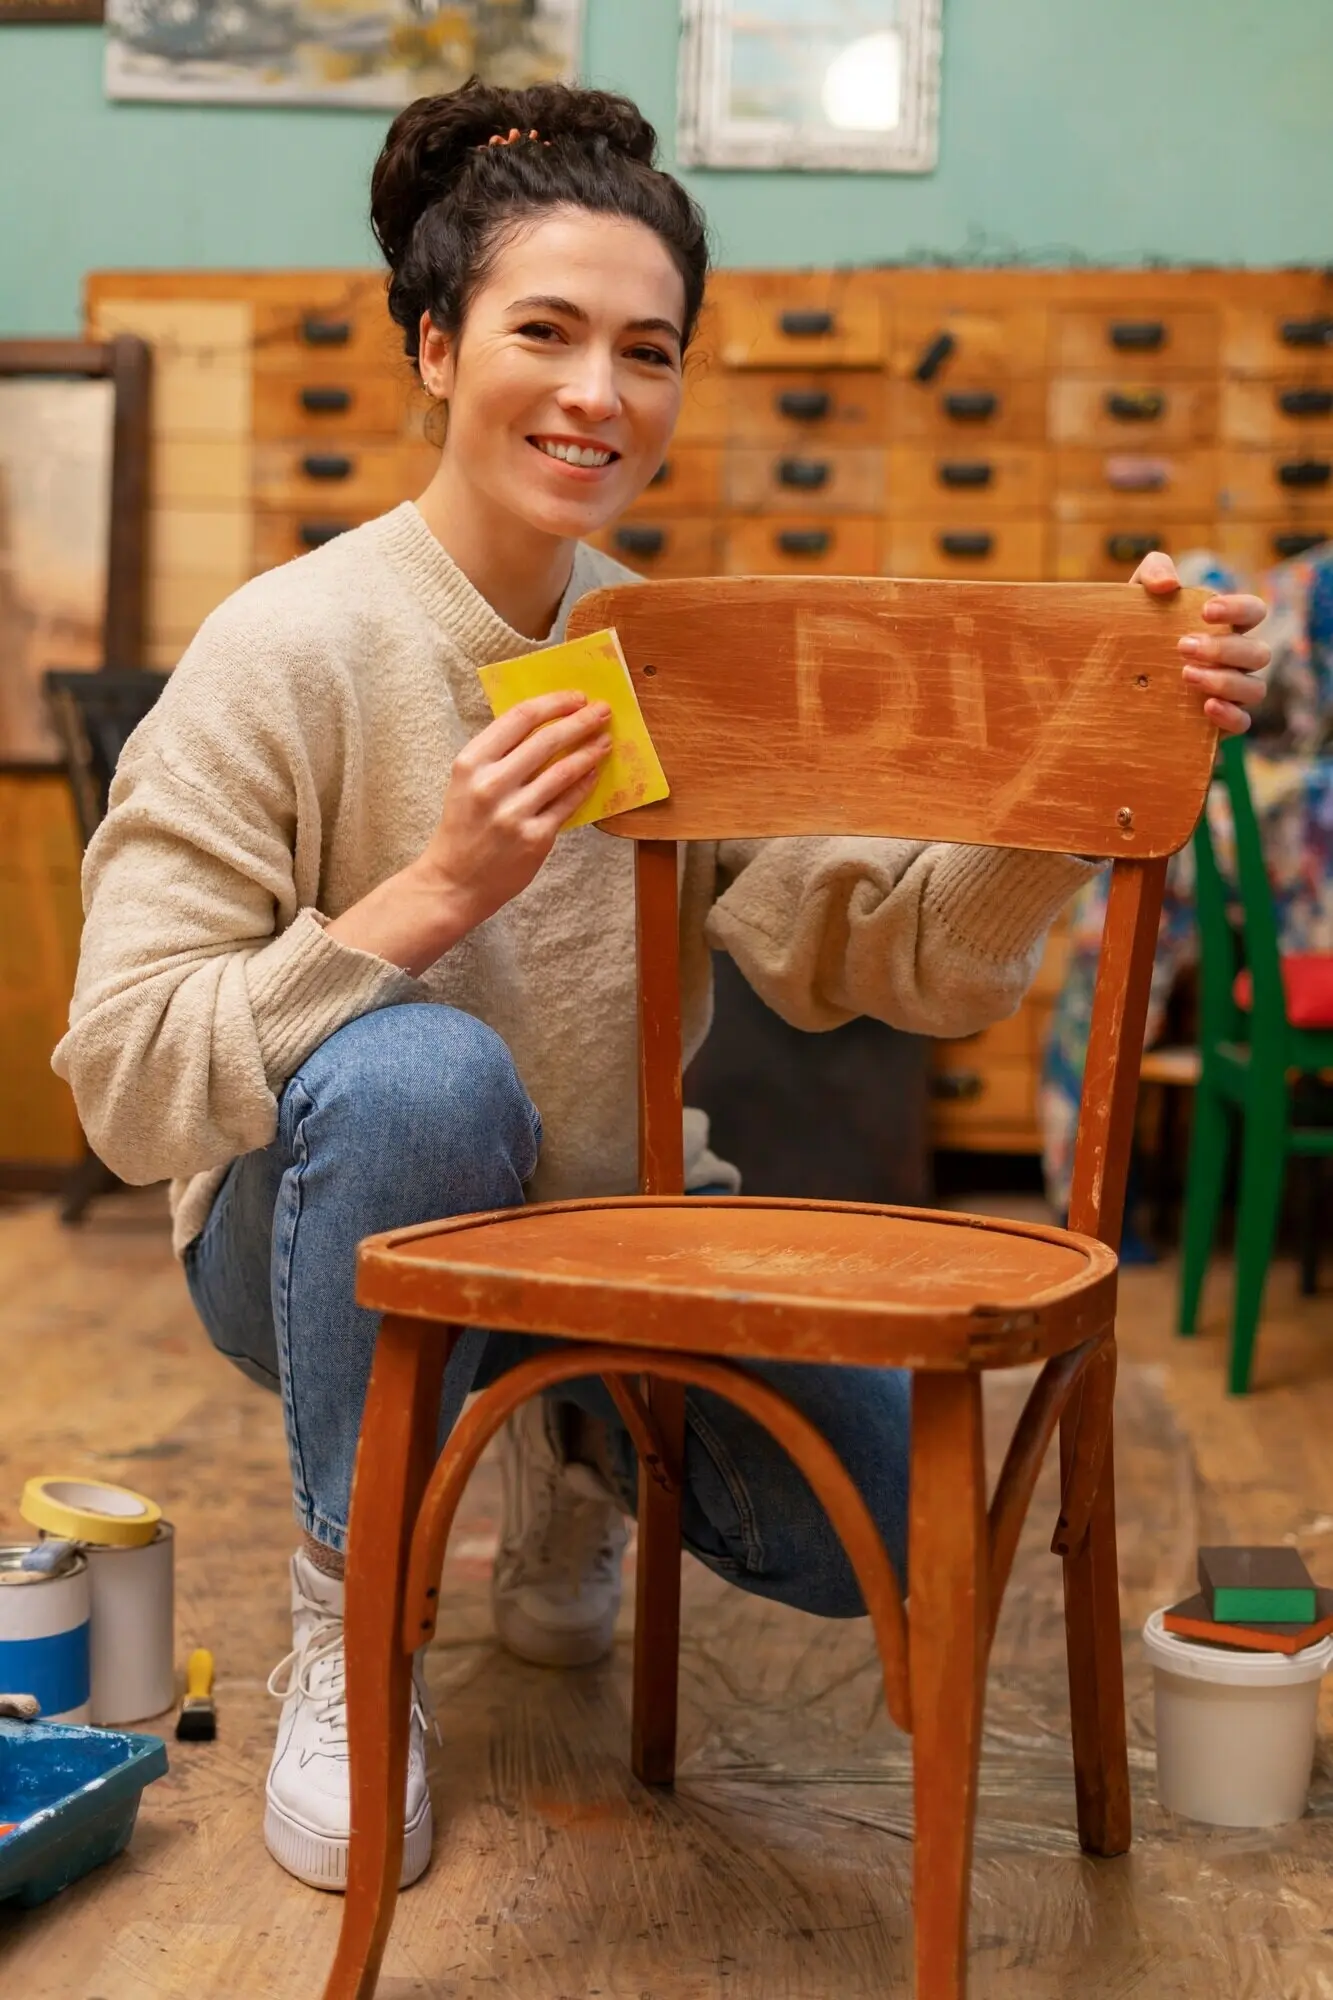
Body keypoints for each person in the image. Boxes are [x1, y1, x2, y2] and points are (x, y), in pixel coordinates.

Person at [53, 79, 1270, 1895]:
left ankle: (561, 1457)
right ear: (433, 344)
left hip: (615, 1227)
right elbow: (130, 1084)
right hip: (317, 1239)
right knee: (424, 1079)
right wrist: (434, 891)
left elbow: (899, 962)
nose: (598, 395)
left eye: (651, 348)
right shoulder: (287, 646)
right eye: (545, 331)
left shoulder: (657, 652)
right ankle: (354, 1608)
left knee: (878, 1533)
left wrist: (1096, 761)